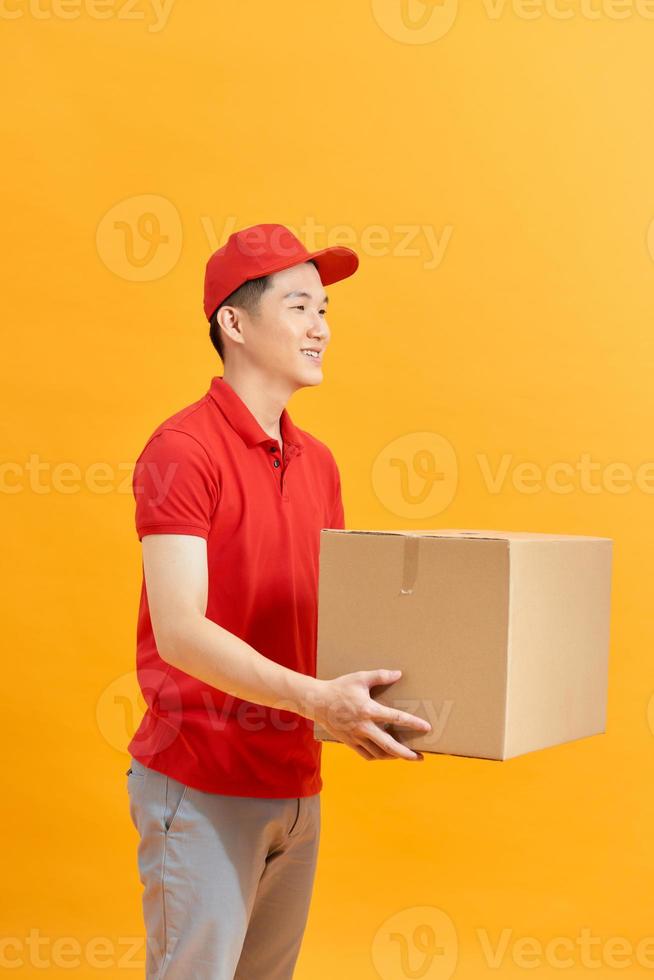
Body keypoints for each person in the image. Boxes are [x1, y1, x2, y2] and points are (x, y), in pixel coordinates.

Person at [125, 222, 433, 979]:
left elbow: (335, 619)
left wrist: (395, 696)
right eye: (300, 307)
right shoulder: (181, 451)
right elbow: (181, 631)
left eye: (324, 310)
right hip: (202, 781)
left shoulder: (319, 463)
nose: (321, 328)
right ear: (233, 322)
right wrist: (316, 699)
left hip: (296, 780)